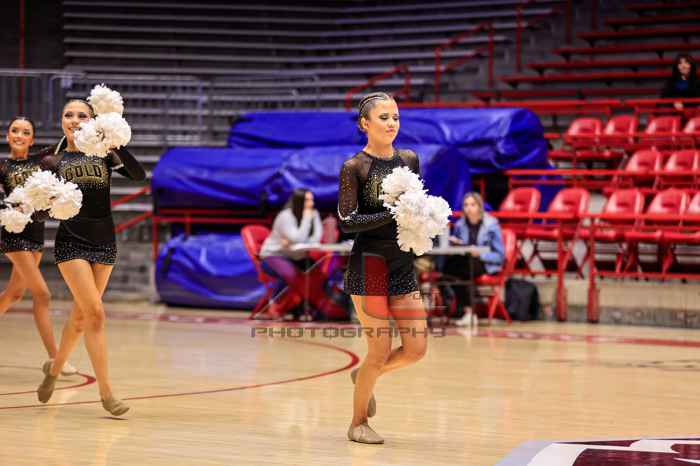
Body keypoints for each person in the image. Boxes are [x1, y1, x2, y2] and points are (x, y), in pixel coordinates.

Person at [35, 99, 146, 416]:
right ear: (61, 121)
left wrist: (116, 144)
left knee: (81, 317)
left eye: (81, 115)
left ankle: (54, 369)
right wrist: (52, 204)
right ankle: (107, 394)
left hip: (105, 242)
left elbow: (138, 175)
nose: (74, 119)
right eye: (68, 115)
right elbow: (39, 212)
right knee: (95, 314)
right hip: (71, 243)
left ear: (93, 120)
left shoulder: (103, 153)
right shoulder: (51, 160)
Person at [338, 92, 427, 444]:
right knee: (378, 350)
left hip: (402, 264)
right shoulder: (354, 167)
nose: (392, 124)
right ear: (365, 123)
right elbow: (347, 221)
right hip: (370, 265)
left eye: (396, 118)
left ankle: (365, 375)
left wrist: (425, 219)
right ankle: (358, 423)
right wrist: (391, 213)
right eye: (384, 117)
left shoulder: (409, 159)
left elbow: (416, 205)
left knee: (416, 349)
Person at [0, 117, 77, 375]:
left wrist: (77, 126)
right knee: (43, 295)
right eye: (14, 131)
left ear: (32, 139)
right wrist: (7, 206)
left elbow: (64, 143)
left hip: (36, 235)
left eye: (25, 132)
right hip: (14, 235)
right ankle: (56, 360)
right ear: (7, 136)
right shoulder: (2, 167)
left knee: (13, 295)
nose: (19, 135)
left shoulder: (40, 162)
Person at [443, 192, 504, 326]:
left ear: (480, 206)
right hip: (465, 261)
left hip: (485, 263)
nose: (468, 208)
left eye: (472, 204)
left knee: (462, 270)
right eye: (466, 205)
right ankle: (468, 311)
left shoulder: (492, 225)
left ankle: (469, 312)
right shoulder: (460, 225)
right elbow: (460, 247)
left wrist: (479, 254)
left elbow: (500, 256)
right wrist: (456, 243)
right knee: (447, 268)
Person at [259, 188, 322, 318]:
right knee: (289, 273)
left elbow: (316, 238)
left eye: (312, 200)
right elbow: (297, 238)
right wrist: (306, 219)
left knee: (318, 272)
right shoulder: (285, 216)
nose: (311, 203)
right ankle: (275, 305)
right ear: (298, 201)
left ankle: (308, 307)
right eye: (307, 200)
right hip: (273, 255)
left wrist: (301, 238)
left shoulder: (314, 214)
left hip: (295, 256)